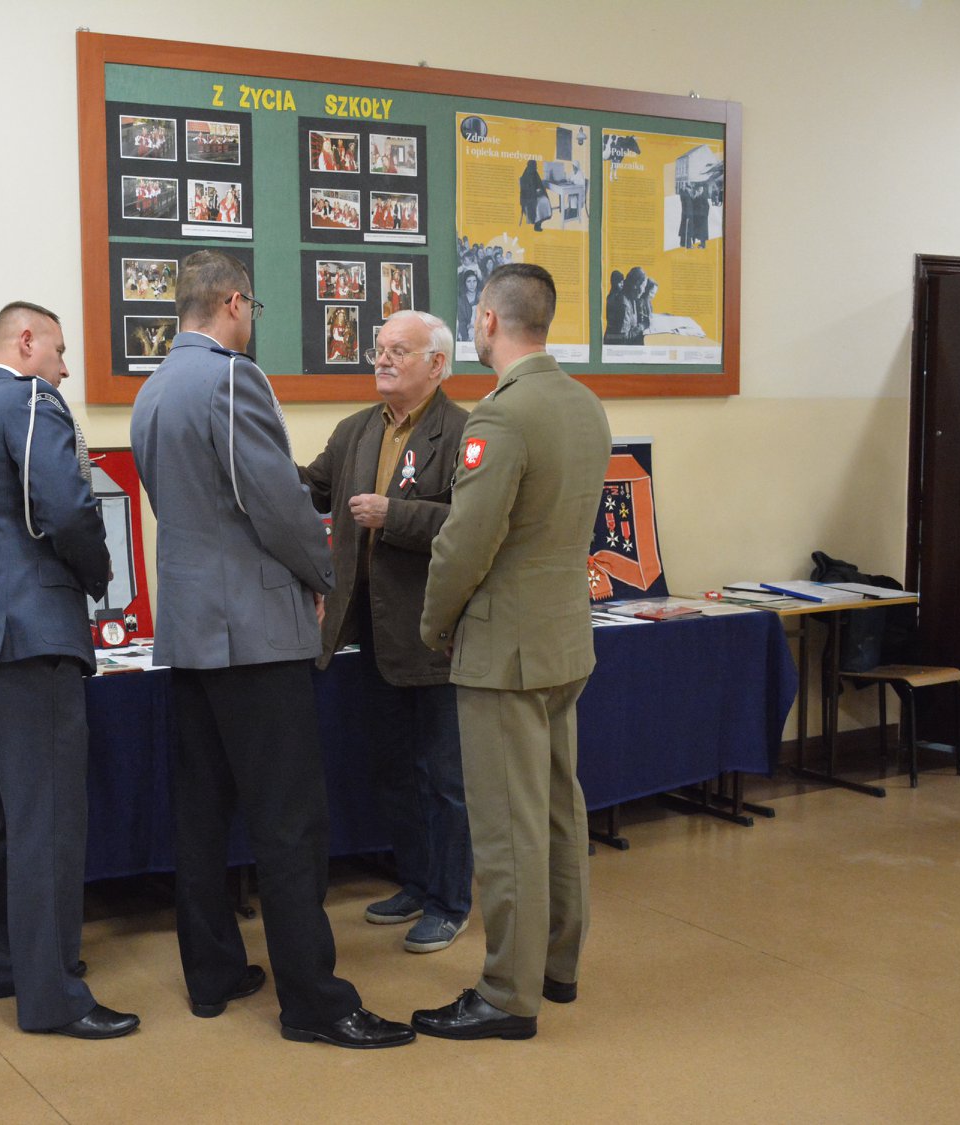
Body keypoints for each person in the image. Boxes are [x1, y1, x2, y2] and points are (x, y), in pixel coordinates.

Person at [129, 249, 415, 1049]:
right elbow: (279, 505)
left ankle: (213, 971)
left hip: (191, 629)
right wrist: (322, 574)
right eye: (251, 308)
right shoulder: (232, 380)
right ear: (232, 302)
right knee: (290, 821)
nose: (251, 321)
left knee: (201, 814)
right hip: (254, 632)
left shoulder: (154, 389)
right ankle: (314, 1001)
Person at [0, 303, 142, 1036]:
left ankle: (1, 966)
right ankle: (53, 995)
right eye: (59, 350)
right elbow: (68, 509)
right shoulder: (29, 402)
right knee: (46, 818)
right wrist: (100, 573)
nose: (65, 368)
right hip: (32, 633)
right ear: (25, 342)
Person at [412, 262, 611, 1042]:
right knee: (559, 808)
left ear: (488, 320)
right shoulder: (584, 405)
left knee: (506, 827)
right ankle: (556, 964)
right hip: (562, 639)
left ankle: (506, 992)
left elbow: (464, 544)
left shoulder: (500, 418)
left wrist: (435, 623)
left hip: (503, 650)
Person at [299, 309, 474, 954]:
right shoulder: (355, 431)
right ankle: (418, 884)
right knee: (395, 770)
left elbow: (473, 523)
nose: (382, 359)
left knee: (443, 777)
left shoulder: (464, 431)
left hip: (434, 632)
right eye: (379, 348)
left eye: (399, 350)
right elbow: (312, 490)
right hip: (371, 630)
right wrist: (252, 457)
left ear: (437, 364)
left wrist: (394, 515)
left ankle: (451, 902)